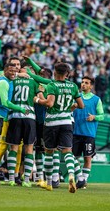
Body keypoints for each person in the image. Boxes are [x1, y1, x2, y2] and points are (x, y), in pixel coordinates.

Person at [36, 63, 85, 192]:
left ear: (55, 73)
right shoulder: (73, 86)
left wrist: (38, 99)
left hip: (52, 123)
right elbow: (81, 105)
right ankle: (71, 175)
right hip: (67, 122)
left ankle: (49, 182)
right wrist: (70, 106)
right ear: (67, 74)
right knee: (67, 151)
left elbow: (49, 103)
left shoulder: (52, 85)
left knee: (49, 151)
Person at [5, 64, 39, 187]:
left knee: (13, 148)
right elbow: (40, 97)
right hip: (29, 117)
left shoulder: (13, 80)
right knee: (29, 149)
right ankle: (26, 180)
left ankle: (11, 179)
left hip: (14, 116)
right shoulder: (34, 82)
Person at [73, 76, 104, 189]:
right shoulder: (76, 97)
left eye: (86, 83)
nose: (83, 84)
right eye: (82, 82)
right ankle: (80, 178)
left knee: (87, 158)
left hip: (89, 134)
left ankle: (84, 180)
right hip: (75, 132)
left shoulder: (96, 99)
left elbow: (102, 116)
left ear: (91, 86)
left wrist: (94, 117)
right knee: (73, 158)